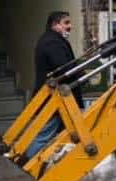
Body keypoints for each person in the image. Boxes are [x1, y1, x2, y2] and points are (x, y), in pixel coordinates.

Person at [30, 11, 82, 154]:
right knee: (44, 135)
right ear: (54, 24)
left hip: (58, 97)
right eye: (66, 23)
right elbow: (63, 68)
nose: (70, 26)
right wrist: (81, 71)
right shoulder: (52, 42)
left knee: (59, 134)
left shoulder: (51, 40)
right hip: (54, 97)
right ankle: (27, 166)